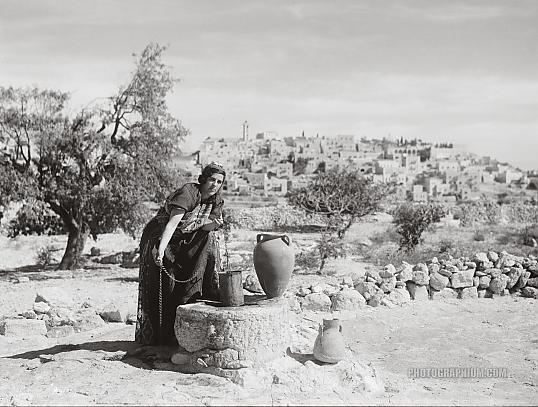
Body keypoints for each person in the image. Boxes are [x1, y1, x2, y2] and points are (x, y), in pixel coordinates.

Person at [135, 162, 226, 345]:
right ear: (203, 179)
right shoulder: (189, 193)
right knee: (163, 284)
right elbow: (172, 224)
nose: (214, 185)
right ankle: (160, 337)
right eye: (211, 180)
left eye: (218, 182)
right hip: (163, 236)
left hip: (186, 239)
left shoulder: (215, 200)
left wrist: (215, 225)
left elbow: (205, 225)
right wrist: (160, 250)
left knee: (188, 276)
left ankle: (182, 332)